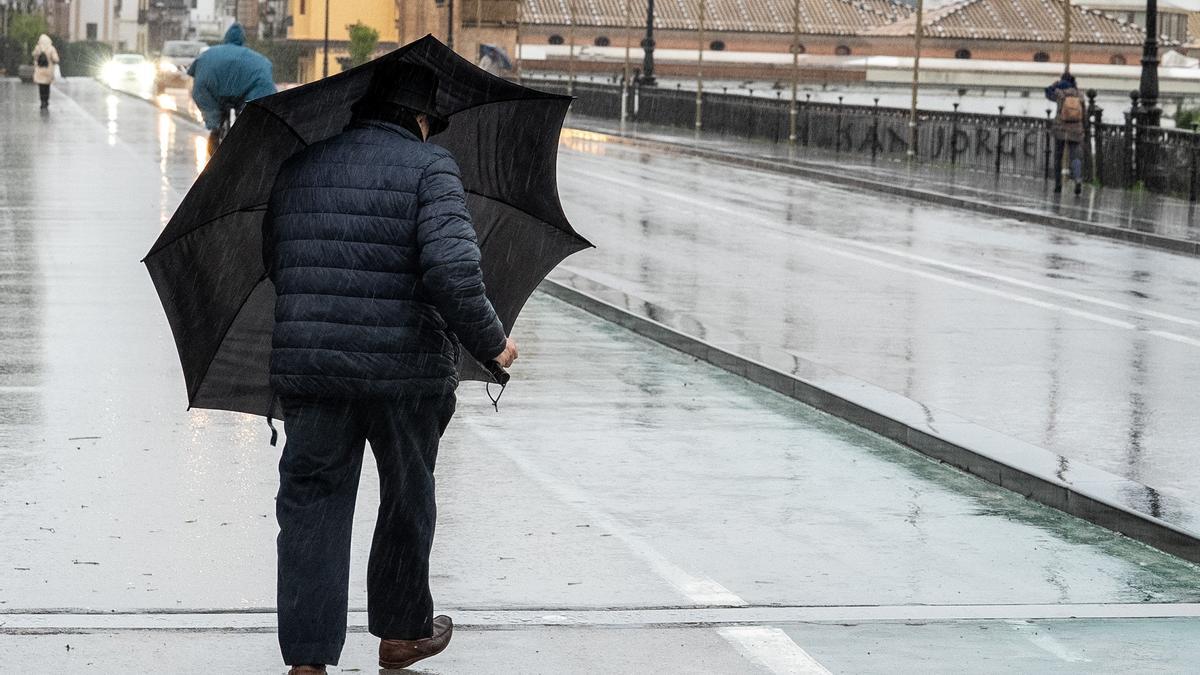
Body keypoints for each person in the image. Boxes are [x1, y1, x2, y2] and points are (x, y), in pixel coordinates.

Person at [260, 60, 518, 675]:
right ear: (422, 121)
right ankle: (402, 634)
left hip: (314, 365)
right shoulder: (431, 168)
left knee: (311, 503)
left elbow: (277, 259)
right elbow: (452, 271)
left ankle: (307, 660)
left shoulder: (300, 167)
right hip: (406, 374)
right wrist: (492, 344)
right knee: (407, 496)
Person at [187, 23, 275, 153]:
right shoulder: (258, 60)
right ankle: (245, 135)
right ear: (243, 40)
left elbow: (195, 74)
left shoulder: (208, 55)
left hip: (214, 89)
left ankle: (216, 132)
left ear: (226, 38)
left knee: (214, 118)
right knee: (249, 118)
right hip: (247, 90)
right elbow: (265, 85)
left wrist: (213, 120)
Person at [1045, 72, 1085, 196]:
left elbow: (1047, 92)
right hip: (1076, 129)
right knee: (1075, 157)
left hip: (1060, 129)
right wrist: (1084, 128)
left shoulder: (1060, 93)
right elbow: (1085, 113)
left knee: (1058, 157)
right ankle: (1078, 179)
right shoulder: (1080, 95)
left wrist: (1054, 85)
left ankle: (1058, 185)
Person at [31, 34, 59, 110]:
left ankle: (42, 101)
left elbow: (34, 55)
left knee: (41, 88)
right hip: (48, 71)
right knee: (47, 87)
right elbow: (56, 59)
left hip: (40, 71)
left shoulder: (38, 48)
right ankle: (46, 101)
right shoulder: (51, 48)